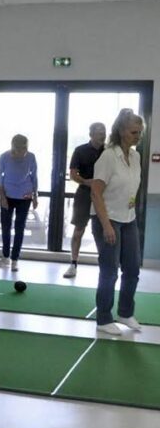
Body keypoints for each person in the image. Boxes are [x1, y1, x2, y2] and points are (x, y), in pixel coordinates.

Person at [90, 109, 145, 336]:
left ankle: (125, 312)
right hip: (108, 218)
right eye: (134, 132)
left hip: (128, 219)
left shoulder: (136, 156)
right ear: (121, 131)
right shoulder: (108, 156)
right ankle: (104, 318)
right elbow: (95, 192)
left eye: (140, 132)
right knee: (110, 271)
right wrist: (106, 225)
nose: (138, 136)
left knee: (132, 268)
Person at [64, 122, 106, 278]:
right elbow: (73, 175)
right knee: (78, 231)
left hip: (104, 195)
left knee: (104, 231)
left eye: (104, 132)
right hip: (84, 194)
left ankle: (106, 265)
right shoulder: (80, 150)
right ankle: (73, 264)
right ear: (91, 134)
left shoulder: (109, 152)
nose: (102, 135)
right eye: (99, 132)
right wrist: (86, 182)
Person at [0, 134, 38, 270]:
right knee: (6, 227)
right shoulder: (4, 157)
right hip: (7, 196)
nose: (22, 152)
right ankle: (5, 256)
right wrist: (2, 197)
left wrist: (35, 196)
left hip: (25, 196)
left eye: (24, 149)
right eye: (19, 149)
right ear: (14, 148)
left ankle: (15, 259)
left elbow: (34, 176)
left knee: (20, 227)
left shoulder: (31, 157)